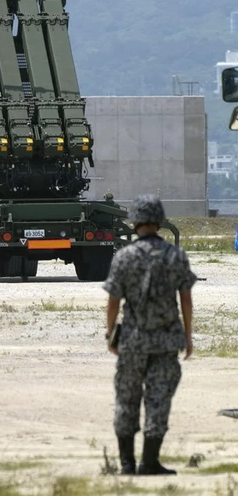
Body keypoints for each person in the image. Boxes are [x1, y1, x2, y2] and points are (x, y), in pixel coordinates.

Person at [104, 194, 196, 476]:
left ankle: (127, 463)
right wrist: (188, 336)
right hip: (166, 341)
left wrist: (110, 335)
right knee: (158, 399)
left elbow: (113, 301)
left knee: (127, 398)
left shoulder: (124, 256)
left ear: (134, 222)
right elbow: (186, 299)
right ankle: (150, 461)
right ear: (158, 221)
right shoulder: (175, 255)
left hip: (132, 340)